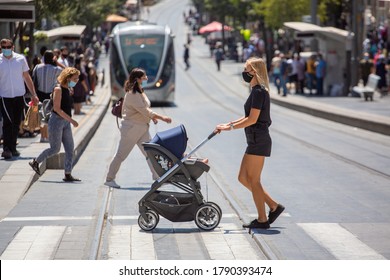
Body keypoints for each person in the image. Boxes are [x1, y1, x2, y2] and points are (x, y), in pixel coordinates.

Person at [215, 57, 284, 229]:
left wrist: (230, 128)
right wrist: (228, 124)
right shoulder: (256, 91)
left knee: (254, 180)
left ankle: (262, 219)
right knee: (243, 178)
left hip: (258, 139)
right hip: (254, 139)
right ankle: (273, 206)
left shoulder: (259, 92)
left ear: (255, 71)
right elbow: (247, 117)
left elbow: (252, 120)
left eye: (247, 69)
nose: (244, 72)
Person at [104, 68, 172, 188]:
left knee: (150, 153)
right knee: (121, 155)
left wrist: (152, 118)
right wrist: (162, 117)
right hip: (131, 129)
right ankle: (109, 179)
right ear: (137, 79)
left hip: (141, 128)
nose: (146, 78)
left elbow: (144, 110)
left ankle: (157, 176)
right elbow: (144, 110)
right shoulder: (132, 94)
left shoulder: (140, 90)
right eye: (144, 76)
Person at [29, 67, 81, 182]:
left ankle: (68, 174)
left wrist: (69, 121)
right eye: (75, 78)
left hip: (65, 122)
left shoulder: (68, 89)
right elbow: (57, 109)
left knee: (70, 149)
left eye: (77, 78)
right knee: (55, 149)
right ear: (67, 78)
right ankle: (36, 161)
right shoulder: (58, 89)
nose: (76, 80)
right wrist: (72, 120)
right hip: (56, 121)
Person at [0, 38, 39, 159]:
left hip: (19, 95)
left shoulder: (20, 59)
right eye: (3, 47)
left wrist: (33, 94)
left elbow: (27, 77)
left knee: (17, 123)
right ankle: (6, 148)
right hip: (4, 95)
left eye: (8, 47)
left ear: (12, 47)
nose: (6, 49)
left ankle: (13, 147)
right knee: (8, 121)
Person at [32, 50, 63, 142]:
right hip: (51, 95)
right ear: (52, 58)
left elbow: (34, 79)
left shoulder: (37, 67)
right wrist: (57, 62)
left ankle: (42, 136)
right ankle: (48, 136)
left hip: (38, 94)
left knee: (40, 115)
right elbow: (68, 71)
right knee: (50, 115)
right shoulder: (56, 69)